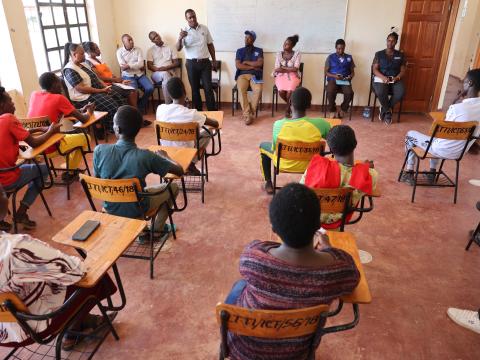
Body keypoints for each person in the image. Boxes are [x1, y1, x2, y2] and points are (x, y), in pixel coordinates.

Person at [224, 183, 360, 360]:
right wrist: (329, 249)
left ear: (274, 228)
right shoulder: (334, 271)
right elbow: (353, 276)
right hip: (296, 354)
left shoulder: (253, 258)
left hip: (244, 351)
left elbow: (258, 248)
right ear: (318, 226)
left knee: (240, 285)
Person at [0, 186, 117, 350]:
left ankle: (81, 320)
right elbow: (76, 271)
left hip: (3, 326)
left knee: (44, 278)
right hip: (27, 327)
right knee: (92, 275)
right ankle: (72, 331)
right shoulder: (15, 249)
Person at [93, 105, 184, 233]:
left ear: (117, 129)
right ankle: (157, 230)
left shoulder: (99, 150)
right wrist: (166, 156)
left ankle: (144, 231)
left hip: (110, 207)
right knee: (173, 187)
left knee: (135, 189)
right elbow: (179, 171)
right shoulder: (146, 156)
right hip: (138, 208)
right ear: (138, 130)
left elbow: (98, 179)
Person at [400, 69, 480, 185]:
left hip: (442, 149)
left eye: (464, 81)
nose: (463, 83)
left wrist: (454, 101)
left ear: (470, 83)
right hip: (460, 152)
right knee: (438, 138)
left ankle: (409, 171)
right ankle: (432, 173)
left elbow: (445, 126)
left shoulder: (457, 108)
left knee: (410, 135)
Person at [0, 86, 60, 231]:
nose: (13, 103)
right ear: (2, 105)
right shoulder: (8, 118)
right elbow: (34, 142)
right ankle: (21, 211)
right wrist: (51, 131)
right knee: (44, 170)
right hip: (8, 177)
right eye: (10, 100)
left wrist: (40, 129)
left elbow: (21, 133)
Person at [300, 125, 378, 229]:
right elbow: (370, 186)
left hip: (312, 222)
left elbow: (301, 191)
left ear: (331, 150)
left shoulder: (315, 168)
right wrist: (365, 167)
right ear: (355, 144)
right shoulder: (368, 175)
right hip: (338, 223)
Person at [259, 87, 331, 194]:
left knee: (263, 146)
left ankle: (268, 183)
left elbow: (274, 148)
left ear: (290, 103)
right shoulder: (321, 124)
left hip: (283, 164)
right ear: (309, 105)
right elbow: (333, 142)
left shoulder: (278, 125)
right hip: (312, 166)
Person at [28, 72, 93, 181]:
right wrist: (89, 112)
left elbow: (62, 111)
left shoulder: (34, 95)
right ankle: (70, 171)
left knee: (72, 136)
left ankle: (69, 166)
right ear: (53, 84)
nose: (61, 85)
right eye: (58, 82)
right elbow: (84, 119)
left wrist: (80, 110)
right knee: (86, 138)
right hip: (52, 145)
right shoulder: (58, 98)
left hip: (34, 147)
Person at [156, 77, 219, 175]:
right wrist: (202, 116)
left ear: (168, 94)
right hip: (187, 152)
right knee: (208, 131)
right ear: (184, 91)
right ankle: (191, 163)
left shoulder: (160, 109)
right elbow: (215, 123)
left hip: (166, 152)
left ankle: (188, 165)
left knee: (187, 134)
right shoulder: (192, 114)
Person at [62, 42, 126, 135]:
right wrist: (101, 90)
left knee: (120, 99)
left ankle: (124, 125)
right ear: (74, 55)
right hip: (84, 98)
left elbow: (97, 78)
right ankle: (114, 130)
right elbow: (81, 89)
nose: (84, 55)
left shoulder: (83, 65)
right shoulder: (70, 69)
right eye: (82, 53)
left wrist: (105, 87)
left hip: (97, 92)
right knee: (113, 106)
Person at [176, 9, 217, 111]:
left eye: (194, 16)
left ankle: (212, 111)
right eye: (190, 17)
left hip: (205, 63)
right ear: (186, 19)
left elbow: (210, 45)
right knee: (195, 89)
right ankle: (198, 112)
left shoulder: (204, 28)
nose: (193, 19)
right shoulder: (184, 31)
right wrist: (180, 38)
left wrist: (214, 60)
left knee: (208, 88)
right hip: (191, 64)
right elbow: (178, 48)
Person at [83, 41, 137, 108]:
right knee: (130, 93)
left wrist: (121, 81)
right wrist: (115, 80)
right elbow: (99, 78)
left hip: (113, 82)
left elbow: (110, 73)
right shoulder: (89, 62)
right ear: (90, 51)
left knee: (133, 91)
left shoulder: (99, 60)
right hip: (106, 85)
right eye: (96, 48)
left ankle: (134, 113)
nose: (99, 49)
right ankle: (132, 113)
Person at [372, 31, 406, 124]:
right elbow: (374, 69)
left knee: (401, 92)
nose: (390, 43)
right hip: (381, 78)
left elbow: (403, 70)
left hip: (395, 79)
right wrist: (383, 77)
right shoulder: (379, 54)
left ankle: (384, 108)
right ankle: (388, 112)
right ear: (386, 41)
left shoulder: (400, 55)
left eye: (392, 41)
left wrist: (397, 78)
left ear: (396, 42)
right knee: (380, 91)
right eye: (388, 40)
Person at [116, 34, 154, 118]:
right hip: (128, 76)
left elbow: (141, 64)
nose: (132, 41)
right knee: (134, 92)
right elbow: (123, 67)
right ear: (124, 43)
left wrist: (129, 66)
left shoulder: (138, 49)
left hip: (140, 74)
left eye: (132, 39)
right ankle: (136, 111)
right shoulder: (119, 52)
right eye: (129, 40)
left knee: (150, 88)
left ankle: (139, 106)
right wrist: (135, 65)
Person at [235, 30, 263, 125]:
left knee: (258, 90)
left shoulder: (259, 50)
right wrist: (252, 66)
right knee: (241, 90)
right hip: (242, 75)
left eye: (249, 37)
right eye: (245, 37)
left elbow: (260, 63)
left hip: (255, 76)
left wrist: (246, 62)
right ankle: (247, 115)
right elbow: (238, 65)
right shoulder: (240, 51)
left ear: (253, 39)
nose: (246, 39)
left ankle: (251, 112)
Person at [147, 31, 180, 105]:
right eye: (154, 38)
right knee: (165, 74)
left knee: (166, 77)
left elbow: (177, 63)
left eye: (157, 35)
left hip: (170, 72)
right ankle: (171, 103)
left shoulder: (171, 46)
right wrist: (158, 69)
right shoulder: (150, 50)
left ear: (159, 34)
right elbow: (149, 66)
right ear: (152, 41)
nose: (157, 38)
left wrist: (165, 68)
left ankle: (168, 104)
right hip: (156, 75)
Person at [325, 39, 355, 118]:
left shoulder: (349, 57)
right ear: (335, 48)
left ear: (345, 47)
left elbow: (352, 72)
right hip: (333, 79)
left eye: (342, 48)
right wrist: (335, 76)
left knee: (350, 93)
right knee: (330, 91)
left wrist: (350, 76)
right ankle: (332, 110)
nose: (341, 50)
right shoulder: (330, 57)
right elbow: (326, 72)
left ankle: (343, 109)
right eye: (338, 48)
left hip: (344, 80)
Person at [273, 35, 301, 118]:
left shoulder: (297, 54)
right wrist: (289, 69)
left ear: (292, 46)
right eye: (284, 43)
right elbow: (277, 69)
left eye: (287, 44)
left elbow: (295, 69)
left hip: (293, 76)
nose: (285, 45)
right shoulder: (279, 54)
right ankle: (291, 106)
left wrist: (283, 68)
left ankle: (287, 109)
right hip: (280, 76)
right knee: (281, 91)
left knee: (289, 92)